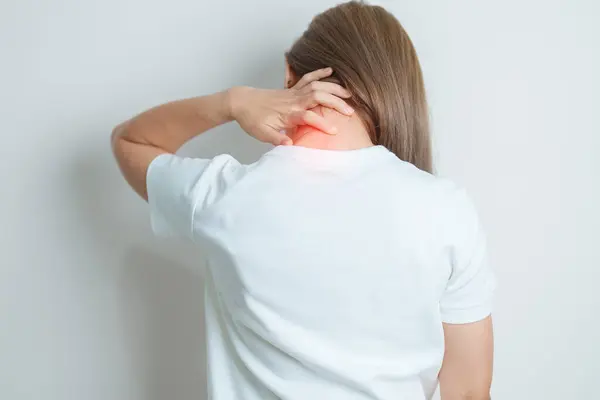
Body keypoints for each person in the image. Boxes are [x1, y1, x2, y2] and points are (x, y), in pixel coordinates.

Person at [111, 2, 495, 399]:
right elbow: (468, 393)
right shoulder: (446, 211)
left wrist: (234, 102)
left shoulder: (224, 196)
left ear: (290, 78)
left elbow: (130, 140)